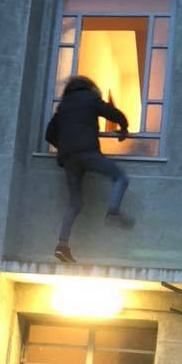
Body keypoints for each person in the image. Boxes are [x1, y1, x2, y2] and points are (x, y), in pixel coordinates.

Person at [46, 75, 135, 263]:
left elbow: (49, 134)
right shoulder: (90, 98)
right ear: (89, 87)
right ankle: (113, 212)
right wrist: (124, 128)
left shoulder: (63, 106)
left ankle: (62, 245)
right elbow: (114, 114)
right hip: (87, 153)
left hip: (69, 160)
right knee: (120, 177)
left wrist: (65, 146)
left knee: (75, 203)